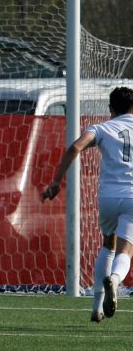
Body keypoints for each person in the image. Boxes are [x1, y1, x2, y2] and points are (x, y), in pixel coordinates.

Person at [41, 86, 133, 322]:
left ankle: (96, 306)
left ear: (111, 109)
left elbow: (75, 147)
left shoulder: (102, 128)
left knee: (108, 245)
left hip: (108, 198)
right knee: (125, 251)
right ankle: (115, 279)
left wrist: (56, 181)